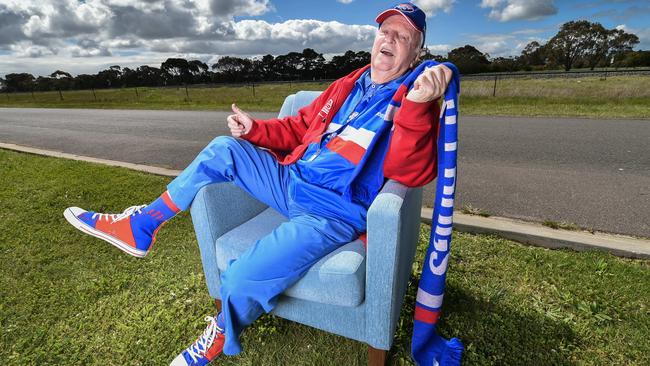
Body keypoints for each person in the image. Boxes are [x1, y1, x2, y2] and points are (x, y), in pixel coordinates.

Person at [63, 3, 452, 365]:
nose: (390, 40)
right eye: (386, 31)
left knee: (241, 276)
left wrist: (418, 104)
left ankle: (219, 333)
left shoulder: (413, 97)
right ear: (374, 37)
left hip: (330, 211)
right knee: (224, 149)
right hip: (290, 180)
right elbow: (299, 127)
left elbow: (410, 172)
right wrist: (254, 130)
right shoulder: (348, 84)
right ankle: (141, 226)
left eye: (404, 37)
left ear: (416, 52)